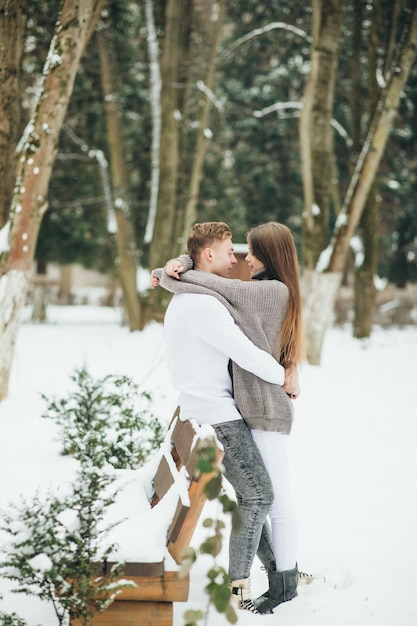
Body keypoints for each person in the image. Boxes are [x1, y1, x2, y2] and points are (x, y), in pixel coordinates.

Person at [154, 221, 306, 614]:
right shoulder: (203, 305)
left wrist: (171, 271)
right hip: (218, 412)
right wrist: (284, 377)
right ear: (208, 255)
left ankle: (279, 567)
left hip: (204, 410)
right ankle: (240, 584)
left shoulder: (191, 297)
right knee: (259, 495)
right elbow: (247, 354)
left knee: (254, 494)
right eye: (228, 251)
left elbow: (223, 292)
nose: (236, 258)